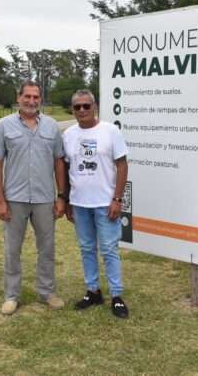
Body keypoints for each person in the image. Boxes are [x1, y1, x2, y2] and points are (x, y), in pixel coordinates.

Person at [0, 81, 67, 316]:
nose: (32, 101)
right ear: (19, 97)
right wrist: (0, 200)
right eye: (27, 96)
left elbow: (59, 162)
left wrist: (61, 197)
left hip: (44, 199)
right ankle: (11, 296)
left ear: (40, 99)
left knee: (47, 248)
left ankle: (47, 292)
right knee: (12, 250)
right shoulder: (4, 126)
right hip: (14, 199)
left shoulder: (52, 126)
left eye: (36, 97)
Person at [63, 90, 129, 318]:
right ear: (73, 110)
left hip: (105, 203)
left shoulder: (111, 131)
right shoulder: (69, 135)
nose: (82, 110)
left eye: (86, 106)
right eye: (77, 107)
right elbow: (66, 167)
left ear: (95, 106)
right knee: (87, 249)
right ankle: (93, 291)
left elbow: (122, 165)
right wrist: (66, 198)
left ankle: (117, 296)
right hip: (79, 204)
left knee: (110, 250)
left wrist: (118, 199)